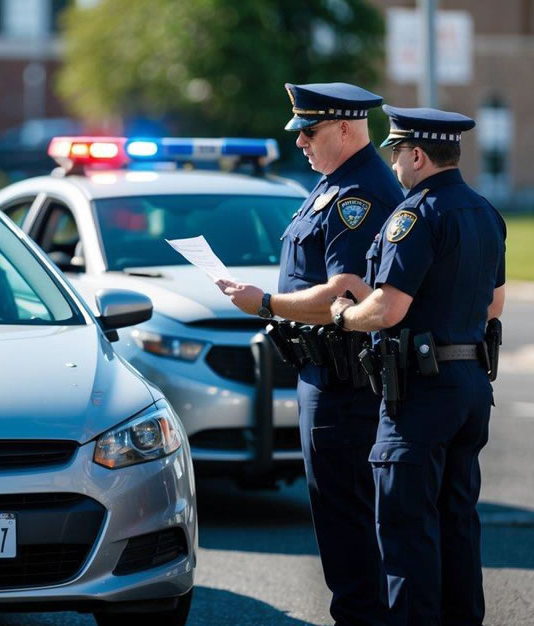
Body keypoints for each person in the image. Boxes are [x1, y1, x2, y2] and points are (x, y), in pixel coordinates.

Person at [218, 82, 402, 626]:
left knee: (351, 528)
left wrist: (266, 303)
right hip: (323, 376)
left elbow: (345, 293)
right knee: (339, 523)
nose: (300, 142)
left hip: (345, 385)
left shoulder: (359, 194)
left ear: (345, 128)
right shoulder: (334, 183)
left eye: (310, 131)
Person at [330, 105, 505, 626]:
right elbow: (494, 305)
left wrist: (343, 316)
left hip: (421, 395)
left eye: (398, 152)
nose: (395, 163)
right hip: (471, 384)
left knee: (407, 532)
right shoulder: (485, 212)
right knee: (457, 524)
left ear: (418, 156)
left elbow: (388, 309)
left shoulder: (415, 216)